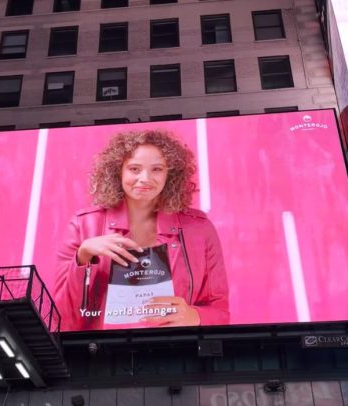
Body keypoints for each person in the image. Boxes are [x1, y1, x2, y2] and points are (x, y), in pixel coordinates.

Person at [54, 130, 229, 331]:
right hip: (105, 356)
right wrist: (83, 256)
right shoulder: (83, 225)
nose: (145, 178)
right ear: (117, 171)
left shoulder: (199, 229)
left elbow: (221, 313)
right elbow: (62, 320)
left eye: (157, 169)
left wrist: (195, 316)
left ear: (170, 174)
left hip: (174, 352)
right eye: (134, 169)